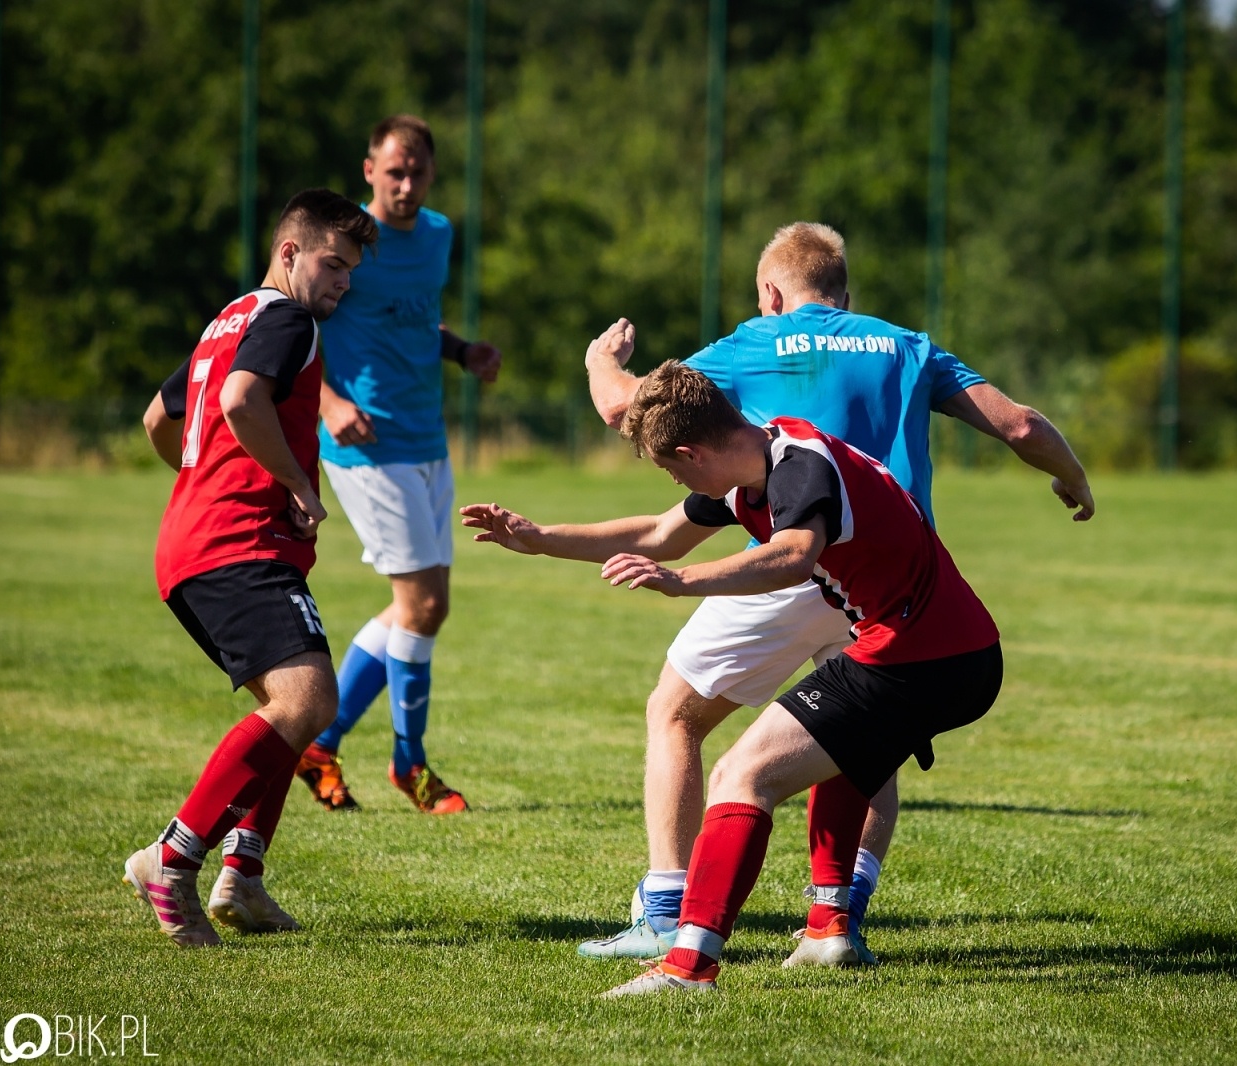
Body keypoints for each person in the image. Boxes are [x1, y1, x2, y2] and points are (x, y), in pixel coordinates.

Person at [576, 222, 1094, 962]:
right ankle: (836, 917)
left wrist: (600, 360)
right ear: (844, 293)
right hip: (899, 588)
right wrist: (1071, 476)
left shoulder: (752, 341)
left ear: (770, 292)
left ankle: (667, 914)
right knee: (861, 741)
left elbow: (631, 410)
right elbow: (1018, 423)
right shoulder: (905, 345)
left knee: (679, 714)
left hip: (788, 563)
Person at [460, 361, 1033, 994]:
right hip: (939, 651)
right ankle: (828, 930)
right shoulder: (757, 464)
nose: (673, 479)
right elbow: (658, 534)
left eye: (670, 467)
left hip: (922, 656)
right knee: (842, 754)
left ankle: (688, 967)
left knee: (743, 774)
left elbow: (793, 555)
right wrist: (540, 538)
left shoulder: (801, 466)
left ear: (692, 452)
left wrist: (683, 584)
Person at [128, 188, 379, 947]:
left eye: (350, 273)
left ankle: (244, 878)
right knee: (305, 699)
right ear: (290, 252)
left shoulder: (227, 319)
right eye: (332, 265)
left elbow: (158, 418)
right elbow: (241, 400)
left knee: (298, 700)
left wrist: (200, 478)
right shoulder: (289, 319)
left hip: (198, 540)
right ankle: (171, 862)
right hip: (236, 543)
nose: (340, 284)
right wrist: (298, 483)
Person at [292, 114, 502, 816]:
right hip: (365, 442)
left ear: (431, 175)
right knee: (424, 606)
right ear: (369, 172)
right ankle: (410, 766)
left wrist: (462, 351)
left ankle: (319, 745)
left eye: (417, 172)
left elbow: (417, 319)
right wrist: (325, 404)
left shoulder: (438, 235)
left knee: (418, 609)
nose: (406, 184)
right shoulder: (350, 245)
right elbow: (296, 319)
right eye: (394, 171)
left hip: (426, 437)